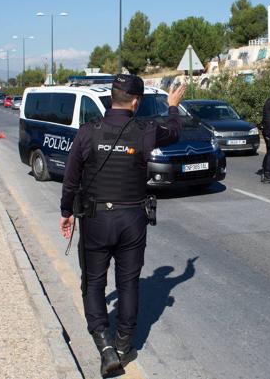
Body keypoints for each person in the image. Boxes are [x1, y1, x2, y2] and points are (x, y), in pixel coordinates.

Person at [59, 74, 186, 377]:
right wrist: (171, 106)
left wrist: (66, 212)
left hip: (96, 220)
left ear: (111, 97)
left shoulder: (88, 132)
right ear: (136, 101)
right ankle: (123, 343)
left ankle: (104, 345)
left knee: (93, 282)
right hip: (132, 221)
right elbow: (175, 130)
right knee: (128, 283)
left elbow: (70, 178)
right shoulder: (145, 131)